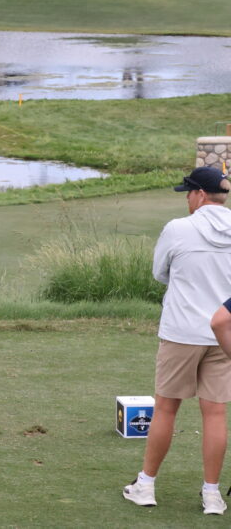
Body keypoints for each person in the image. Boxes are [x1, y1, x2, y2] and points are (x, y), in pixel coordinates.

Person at [124, 166, 231, 515]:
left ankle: (146, 485)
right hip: (223, 332)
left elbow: (159, 273)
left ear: (200, 194)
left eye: (187, 192)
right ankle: (212, 495)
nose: (186, 198)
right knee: (215, 412)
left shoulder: (177, 229)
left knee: (166, 407)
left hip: (181, 332)